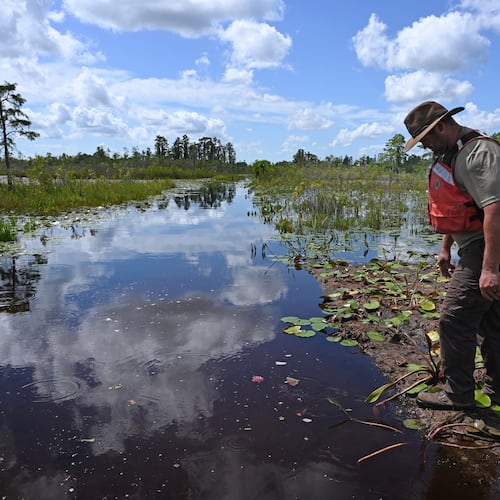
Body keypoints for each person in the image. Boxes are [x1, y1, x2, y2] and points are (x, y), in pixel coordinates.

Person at [403, 101, 500, 410]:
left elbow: (495, 210)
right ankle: (497, 389)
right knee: (492, 320)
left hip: (488, 248)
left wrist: (490, 268)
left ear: (441, 127)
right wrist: (446, 248)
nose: (425, 147)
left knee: (455, 319)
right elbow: (457, 206)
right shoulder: (453, 154)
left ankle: (457, 394)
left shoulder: (477, 153)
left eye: (426, 139)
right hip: (474, 246)